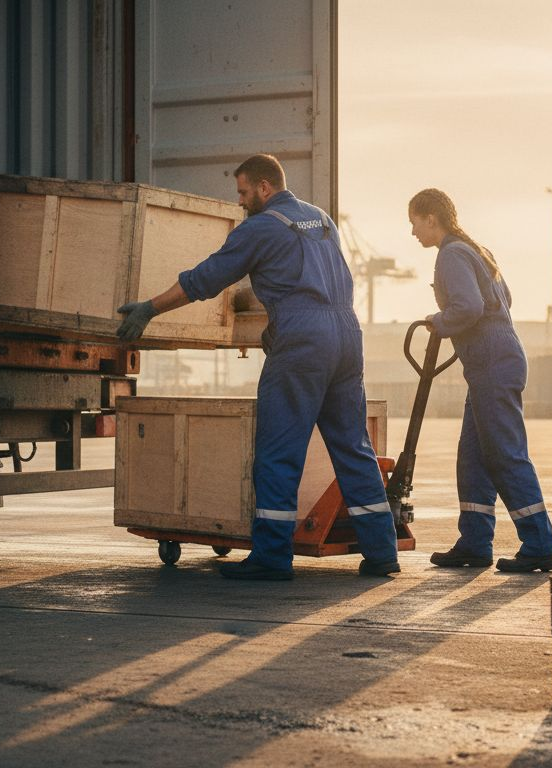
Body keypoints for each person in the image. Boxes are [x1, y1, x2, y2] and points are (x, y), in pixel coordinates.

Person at [117, 154, 400, 580]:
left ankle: (271, 556)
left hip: (303, 341)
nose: (241, 201)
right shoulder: (321, 219)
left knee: (278, 451)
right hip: (345, 332)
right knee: (352, 446)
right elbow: (311, 279)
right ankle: (382, 552)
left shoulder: (262, 227)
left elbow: (206, 278)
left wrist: (149, 308)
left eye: (244, 192)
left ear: (265, 187)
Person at [408, 188, 552, 572]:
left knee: (504, 454)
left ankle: (540, 543)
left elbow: (470, 307)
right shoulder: (475, 249)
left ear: (431, 218)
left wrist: (439, 322)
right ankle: (475, 542)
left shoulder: (451, 254)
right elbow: (503, 298)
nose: (413, 233)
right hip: (492, 363)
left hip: (493, 365)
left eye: (414, 223)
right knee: (473, 458)